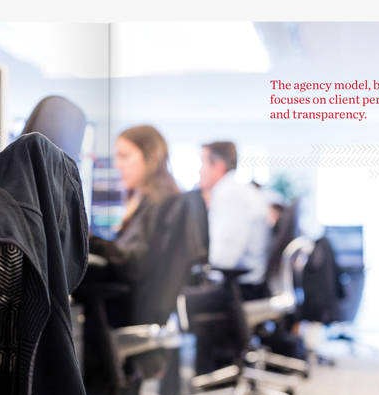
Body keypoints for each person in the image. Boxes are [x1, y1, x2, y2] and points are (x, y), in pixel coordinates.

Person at [87, 125, 182, 326]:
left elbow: (133, 264)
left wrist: (89, 239)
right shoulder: (141, 202)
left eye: (124, 156)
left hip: (133, 314)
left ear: (152, 156)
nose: (117, 165)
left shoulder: (158, 203)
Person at [198, 141, 272, 300]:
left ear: (218, 167)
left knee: (179, 298)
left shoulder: (230, 194)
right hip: (244, 284)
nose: (199, 171)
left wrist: (197, 267)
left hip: (242, 290)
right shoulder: (235, 190)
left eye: (202, 163)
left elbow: (225, 257)